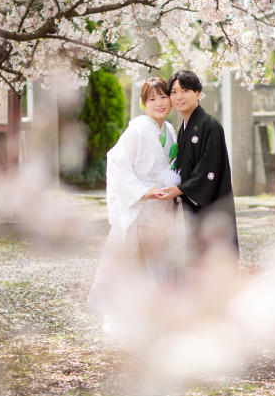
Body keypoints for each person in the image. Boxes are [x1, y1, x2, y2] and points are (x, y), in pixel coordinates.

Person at [87, 77, 180, 337]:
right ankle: (129, 328)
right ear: (143, 104)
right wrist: (141, 190)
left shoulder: (170, 130)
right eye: (152, 98)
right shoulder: (139, 128)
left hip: (161, 207)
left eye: (163, 97)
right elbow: (116, 160)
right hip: (140, 206)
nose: (159, 103)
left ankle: (153, 325)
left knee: (158, 265)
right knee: (136, 266)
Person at [160, 70, 239, 258]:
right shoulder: (184, 128)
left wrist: (181, 189)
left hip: (209, 206)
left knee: (210, 257)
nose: (179, 97)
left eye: (185, 90)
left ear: (197, 93)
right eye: (174, 92)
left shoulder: (209, 125)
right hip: (189, 207)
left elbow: (208, 169)